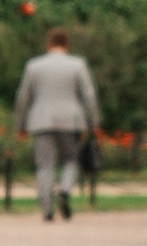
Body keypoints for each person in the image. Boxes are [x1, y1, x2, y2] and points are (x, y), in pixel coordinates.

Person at [14, 33, 99, 222]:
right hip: (71, 120)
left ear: (49, 44)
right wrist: (93, 123)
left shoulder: (33, 66)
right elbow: (89, 95)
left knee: (44, 165)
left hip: (41, 120)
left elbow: (23, 97)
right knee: (71, 160)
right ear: (66, 45)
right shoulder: (78, 65)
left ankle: (47, 208)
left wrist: (20, 124)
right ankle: (66, 190)